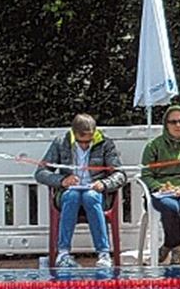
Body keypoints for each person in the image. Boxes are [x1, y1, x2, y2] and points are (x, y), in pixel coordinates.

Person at [34, 114, 127, 268]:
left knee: (90, 196)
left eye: (88, 142)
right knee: (73, 196)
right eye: (81, 142)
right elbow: (40, 173)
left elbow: (120, 174)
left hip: (96, 193)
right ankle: (63, 253)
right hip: (69, 193)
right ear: (73, 133)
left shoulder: (106, 144)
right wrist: (62, 181)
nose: (85, 145)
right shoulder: (60, 143)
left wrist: (104, 183)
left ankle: (103, 253)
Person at [141, 105, 180, 265]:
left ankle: (169, 245)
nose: (177, 125)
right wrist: (158, 187)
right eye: (173, 122)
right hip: (161, 191)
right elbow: (146, 175)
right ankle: (176, 246)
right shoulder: (153, 146)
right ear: (166, 124)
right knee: (170, 207)